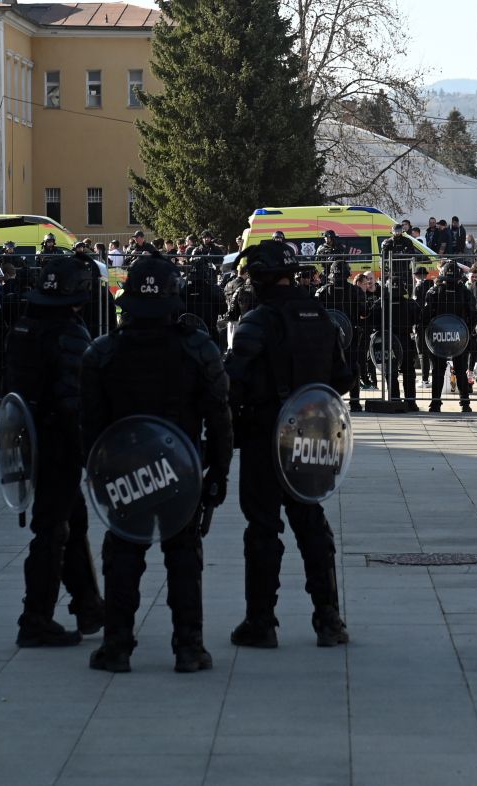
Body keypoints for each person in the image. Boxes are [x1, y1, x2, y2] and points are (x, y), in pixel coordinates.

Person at [79, 255, 232, 673]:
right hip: (180, 466)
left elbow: (89, 426)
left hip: (125, 468)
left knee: (123, 553)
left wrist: (97, 474)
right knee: (184, 554)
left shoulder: (102, 353)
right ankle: (189, 647)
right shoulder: (197, 348)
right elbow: (219, 415)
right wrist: (218, 472)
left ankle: (117, 647)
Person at [225, 240, 353, 649]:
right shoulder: (320, 317)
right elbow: (342, 378)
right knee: (311, 523)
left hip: (264, 437)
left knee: (263, 528)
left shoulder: (256, 322)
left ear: (259, 278)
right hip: (311, 437)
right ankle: (328, 620)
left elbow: (232, 384)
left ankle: (260, 622)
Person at [4, 252, 104, 647]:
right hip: (58, 444)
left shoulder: (24, 327)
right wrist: (92, 451)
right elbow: (75, 401)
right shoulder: (69, 333)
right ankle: (35, 618)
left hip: (28, 439)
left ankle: (88, 604)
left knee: (72, 521)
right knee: (51, 529)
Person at [314, 255, 368, 411]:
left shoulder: (322, 291)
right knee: (352, 367)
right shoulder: (356, 291)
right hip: (351, 335)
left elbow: (316, 314)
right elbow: (364, 312)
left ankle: (329, 403)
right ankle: (355, 402)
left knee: (327, 369)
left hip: (328, 337)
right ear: (347, 274)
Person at [421, 262, 477, 412]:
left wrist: (429, 332)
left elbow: (425, 316)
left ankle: (435, 403)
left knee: (438, 370)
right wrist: (467, 330)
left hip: (438, 336)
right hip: (460, 337)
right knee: (461, 370)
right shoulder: (465, 293)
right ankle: (465, 403)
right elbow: (474, 315)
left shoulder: (434, 292)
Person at [368, 276, 420, 409]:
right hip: (404, 340)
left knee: (390, 372)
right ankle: (410, 402)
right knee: (408, 372)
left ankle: (394, 399)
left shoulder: (379, 304)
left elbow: (371, 322)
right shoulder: (410, 304)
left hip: (387, 341)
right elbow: (419, 320)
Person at [183, 259, 226, 347]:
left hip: (187, 335)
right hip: (209, 335)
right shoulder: (213, 290)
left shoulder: (184, 291)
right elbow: (223, 310)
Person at [411, 266, 435, 384]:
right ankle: (435, 377)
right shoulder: (433, 286)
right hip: (433, 322)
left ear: (416, 276)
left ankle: (425, 379)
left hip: (421, 323)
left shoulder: (418, 287)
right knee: (433, 351)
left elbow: (416, 306)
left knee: (422, 352)